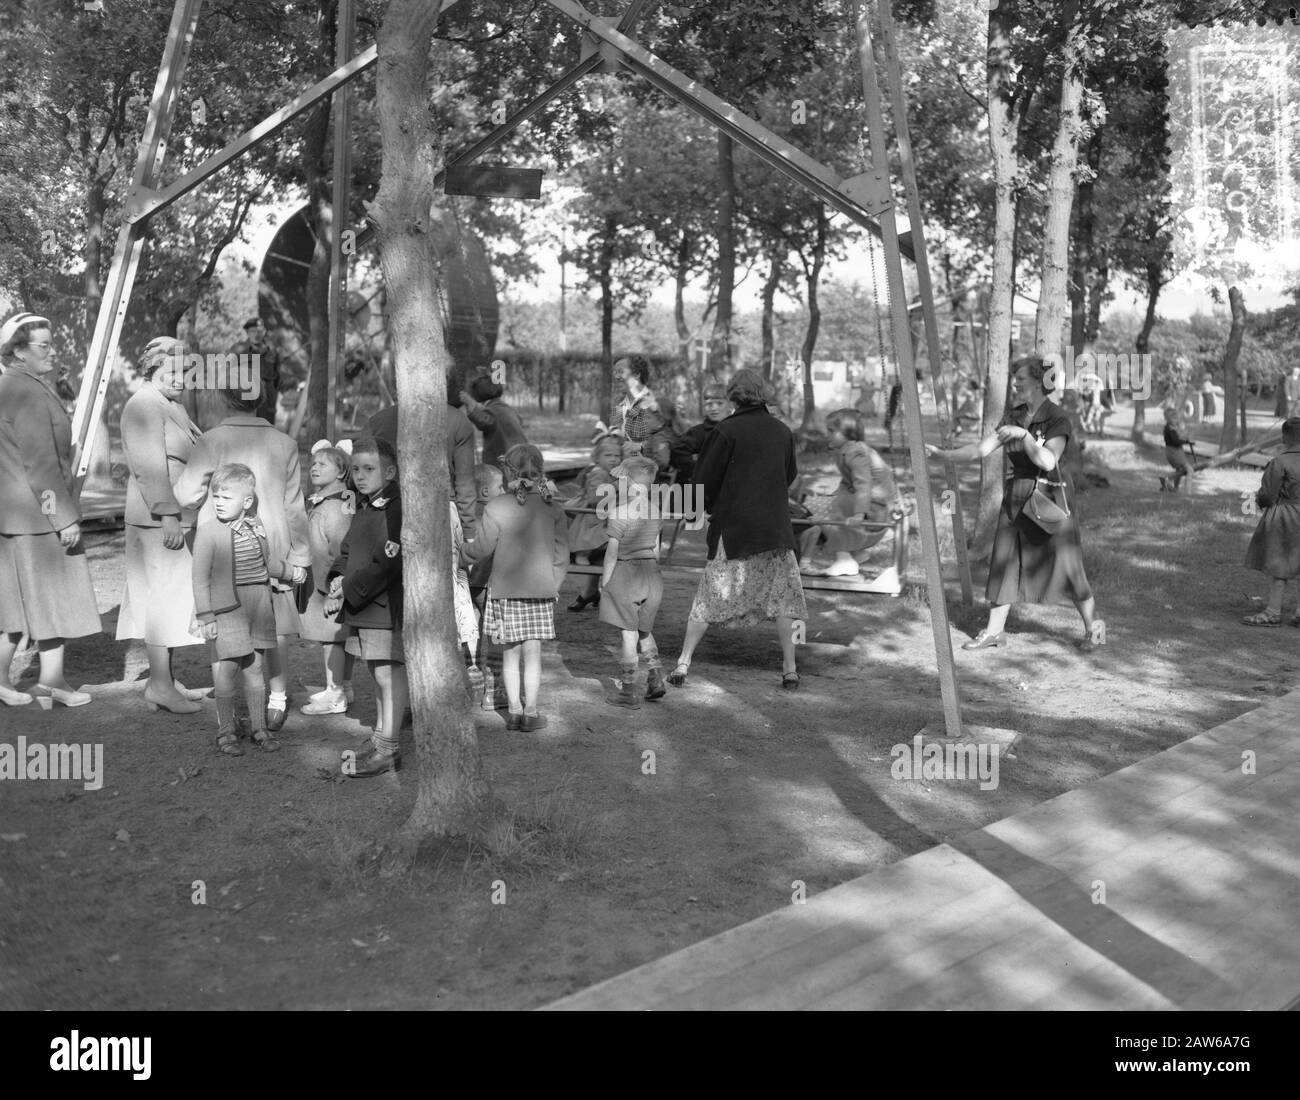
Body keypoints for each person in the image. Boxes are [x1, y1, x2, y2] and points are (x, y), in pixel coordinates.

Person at [925, 355, 1103, 651]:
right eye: (1015, 378)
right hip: (1017, 496)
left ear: (1038, 382)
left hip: (1050, 498)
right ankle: (994, 631)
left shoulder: (1058, 418)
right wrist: (943, 455)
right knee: (1004, 562)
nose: (1016, 383)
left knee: (1068, 567)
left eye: (1020, 378)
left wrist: (1025, 437)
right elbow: (981, 449)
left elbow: (1047, 461)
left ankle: (1094, 631)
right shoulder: (1014, 415)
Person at [173, 381, 310, 732]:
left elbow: (187, 494)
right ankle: (276, 698)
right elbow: (294, 507)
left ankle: (228, 708)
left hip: (221, 549)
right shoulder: (285, 443)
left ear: (223, 398)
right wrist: (301, 556)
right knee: (273, 627)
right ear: (263, 399)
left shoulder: (211, 440)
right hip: (271, 543)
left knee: (222, 623)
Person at [667, 369, 807, 691]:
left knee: (710, 594)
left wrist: (693, 510)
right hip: (775, 531)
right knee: (785, 601)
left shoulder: (726, 431)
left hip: (734, 531)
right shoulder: (782, 431)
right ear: (764, 394)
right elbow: (789, 474)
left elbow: (703, 480)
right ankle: (789, 668)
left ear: (732, 396)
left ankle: (683, 662)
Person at [0, 313, 102, 708]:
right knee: (53, 599)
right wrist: (62, 519)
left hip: (11, 516)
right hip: (36, 518)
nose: (52, 350)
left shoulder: (10, 386)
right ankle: (51, 682)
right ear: (18, 352)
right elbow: (40, 466)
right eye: (43, 345)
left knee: (12, 605)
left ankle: (15, 682)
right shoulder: (25, 391)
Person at [116, 336, 206, 713]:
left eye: (187, 371)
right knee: (159, 599)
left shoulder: (170, 405)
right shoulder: (144, 405)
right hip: (157, 520)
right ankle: (159, 684)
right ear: (152, 370)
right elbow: (148, 466)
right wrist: (168, 514)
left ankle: (165, 678)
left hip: (174, 518)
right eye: (174, 371)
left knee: (172, 598)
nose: (182, 378)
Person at [462, 443, 569, 732]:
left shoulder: (496, 506)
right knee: (533, 656)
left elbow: (481, 549)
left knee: (510, 654)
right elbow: (561, 556)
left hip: (504, 592)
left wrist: (459, 554)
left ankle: (513, 712)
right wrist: (554, 585)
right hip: (541, 592)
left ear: (509, 471)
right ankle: (531, 713)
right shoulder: (553, 508)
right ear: (541, 471)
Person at [192, 464, 292, 754]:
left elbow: (266, 564)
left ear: (246, 502)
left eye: (226, 498)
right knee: (229, 666)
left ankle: (259, 728)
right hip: (228, 610)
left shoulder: (257, 525)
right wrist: (205, 615)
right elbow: (199, 578)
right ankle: (225, 730)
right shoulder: (208, 532)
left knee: (255, 667)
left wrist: (290, 572)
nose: (218, 503)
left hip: (259, 605)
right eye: (216, 497)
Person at [323, 437, 407, 776]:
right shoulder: (365, 503)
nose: (360, 475)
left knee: (389, 672)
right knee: (376, 672)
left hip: (383, 604)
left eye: (369, 469)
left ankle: (390, 745)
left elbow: (389, 561)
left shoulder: (394, 507)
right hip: (362, 603)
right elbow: (348, 549)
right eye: (355, 469)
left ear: (389, 471)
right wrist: (337, 576)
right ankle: (379, 737)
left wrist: (349, 588)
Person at [368, 383, 477, 538]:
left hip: (388, 510)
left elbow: (362, 470)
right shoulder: (457, 419)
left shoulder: (377, 421)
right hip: (441, 511)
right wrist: (469, 531)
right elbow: (465, 483)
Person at [799, 408, 898, 578]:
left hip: (875, 507)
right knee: (831, 502)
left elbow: (863, 484)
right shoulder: (846, 450)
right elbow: (847, 482)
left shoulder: (856, 452)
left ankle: (844, 560)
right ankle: (855, 554)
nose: (827, 434)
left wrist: (859, 514)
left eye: (831, 431)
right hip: (874, 502)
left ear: (848, 433)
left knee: (839, 506)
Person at [600, 456, 666, 708]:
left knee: (628, 635)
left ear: (628, 483)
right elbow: (657, 551)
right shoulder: (656, 512)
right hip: (652, 575)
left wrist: (606, 583)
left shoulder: (618, 513)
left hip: (627, 575)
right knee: (644, 631)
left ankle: (628, 691)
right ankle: (655, 677)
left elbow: (611, 554)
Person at [298, 440, 357, 716]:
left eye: (323, 464)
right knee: (335, 636)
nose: (314, 468)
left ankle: (336, 693)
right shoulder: (330, 502)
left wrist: (336, 589)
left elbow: (339, 550)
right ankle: (342, 685)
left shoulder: (334, 508)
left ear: (342, 471)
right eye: (314, 463)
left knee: (332, 637)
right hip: (327, 583)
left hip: (331, 586)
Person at [1242, 418, 1300, 626]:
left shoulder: (1279, 462)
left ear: (1284, 438)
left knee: (1279, 566)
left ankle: (1273, 612)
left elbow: (1267, 494)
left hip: (1286, 517)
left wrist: (1259, 500)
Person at [565, 434, 622, 612]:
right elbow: (593, 497)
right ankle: (582, 553)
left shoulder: (613, 473)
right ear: (597, 458)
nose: (613, 459)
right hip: (593, 517)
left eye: (617, 456)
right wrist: (615, 487)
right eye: (608, 455)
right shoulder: (598, 472)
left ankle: (591, 592)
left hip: (603, 517)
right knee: (601, 540)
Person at [460, 374, 527, 471]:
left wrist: (471, 404)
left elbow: (484, 421)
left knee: (504, 481)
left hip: (505, 458)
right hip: (522, 453)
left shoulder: (492, 411)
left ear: (476, 396)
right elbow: (520, 420)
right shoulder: (504, 407)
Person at [669, 381, 729, 484]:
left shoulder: (735, 430)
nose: (714, 408)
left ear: (729, 404)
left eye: (719, 403)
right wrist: (698, 470)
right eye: (709, 404)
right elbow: (678, 450)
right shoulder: (698, 432)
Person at [232, 317, 282, 425]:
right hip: (246, 403)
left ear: (264, 332)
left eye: (259, 331)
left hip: (267, 404)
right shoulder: (238, 350)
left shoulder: (272, 351)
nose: (256, 334)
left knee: (267, 435)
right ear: (247, 332)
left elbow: (278, 379)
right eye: (252, 331)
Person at [1160, 407, 1198, 492]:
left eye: (1177, 418)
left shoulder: (1170, 427)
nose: (1177, 420)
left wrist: (1186, 439)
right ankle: (1187, 492)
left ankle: (1175, 488)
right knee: (1189, 470)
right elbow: (1176, 441)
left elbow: (1178, 437)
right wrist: (1185, 442)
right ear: (1169, 419)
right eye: (1174, 418)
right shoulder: (1170, 429)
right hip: (1174, 452)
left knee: (1180, 470)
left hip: (1173, 451)